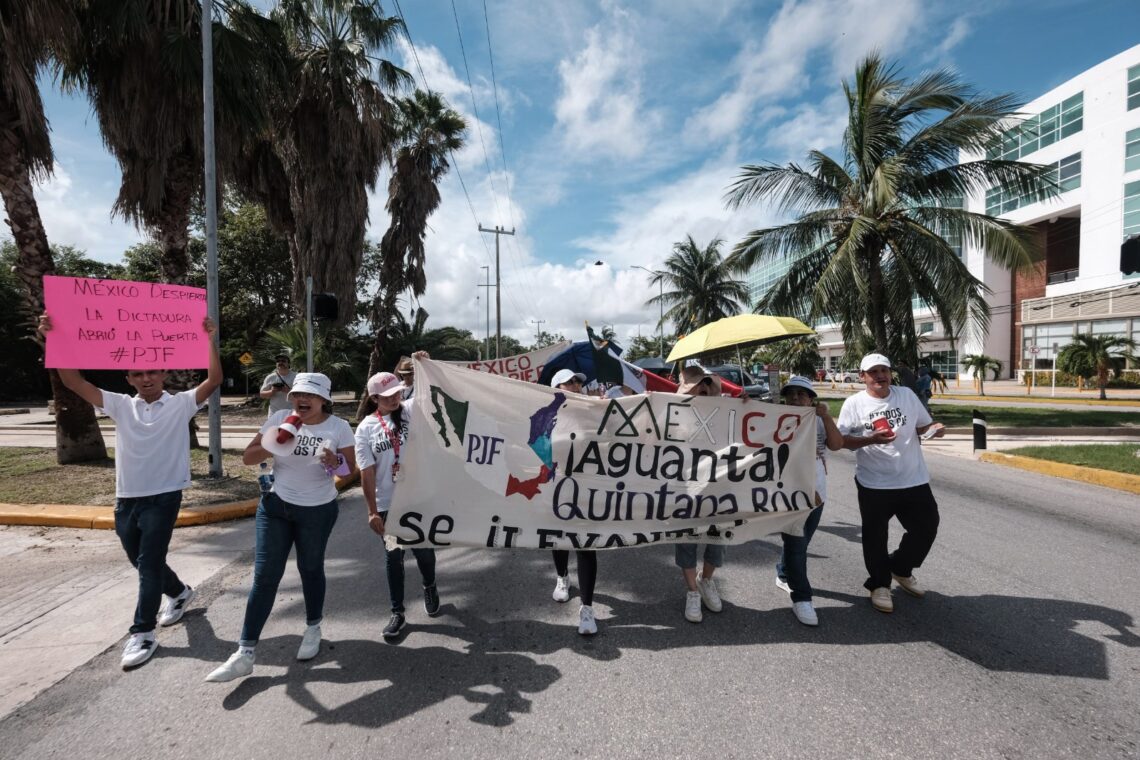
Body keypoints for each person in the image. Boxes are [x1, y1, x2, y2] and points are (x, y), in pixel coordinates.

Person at [38, 313, 222, 669]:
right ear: (129, 378)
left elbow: (214, 378)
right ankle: (180, 592)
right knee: (140, 560)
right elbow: (73, 381)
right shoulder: (121, 405)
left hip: (165, 495)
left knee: (148, 564)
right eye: (137, 374)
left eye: (152, 372)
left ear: (164, 374)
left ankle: (142, 632)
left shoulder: (181, 402)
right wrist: (53, 338)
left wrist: (208, 339)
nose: (146, 378)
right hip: (126, 498)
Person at [206, 372, 356, 681]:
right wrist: (275, 441)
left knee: (310, 568)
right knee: (264, 576)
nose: (302, 400)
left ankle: (313, 628)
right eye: (297, 395)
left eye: (310, 396)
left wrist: (333, 461)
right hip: (276, 506)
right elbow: (249, 458)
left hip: (317, 510)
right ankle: (245, 652)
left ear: (324, 399)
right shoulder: (277, 418)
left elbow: (348, 469)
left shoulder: (338, 427)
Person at [837, 353, 945, 613]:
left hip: (913, 479)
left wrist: (934, 429)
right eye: (873, 372)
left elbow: (922, 426)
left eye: (884, 370)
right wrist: (870, 439)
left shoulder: (906, 396)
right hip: (874, 483)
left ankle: (900, 568)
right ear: (862, 377)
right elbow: (841, 442)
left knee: (927, 528)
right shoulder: (854, 404)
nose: (880, 376)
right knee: (875, 537)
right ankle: (879, 584)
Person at [355, 360, 441, 641]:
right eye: (388, 395)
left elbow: (435, 390)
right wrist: (372, 512)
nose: (395, 398)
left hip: (419, 500)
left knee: (424, 552)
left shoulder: (412, 410)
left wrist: (426, 364)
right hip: (388, 505)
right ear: (374, 398)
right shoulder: (366, 429)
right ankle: (398, 613)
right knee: (394, 556)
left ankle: (429, 585)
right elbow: (366, 473)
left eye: (397, 392)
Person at [775, 376, 843, 626]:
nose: (795, 398)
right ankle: (802, 598)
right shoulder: (773, 418)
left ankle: (783, 572)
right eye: (790, 394)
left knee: (803, 540)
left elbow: (836, 445)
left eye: (801, 394)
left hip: (817, 492)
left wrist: (825, 417)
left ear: (811, 399)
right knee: (796, 543)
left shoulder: (819, 421)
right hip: (787, 493)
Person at [547, 368, 601, 635]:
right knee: (559, 538)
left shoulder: (591, 410)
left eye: (578, 381)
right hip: (556, 485)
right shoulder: (547, 415)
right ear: (557, 387)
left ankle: (587, 608)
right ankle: (562, 577)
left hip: (587, 487)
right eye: (570, 382)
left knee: (586, 544)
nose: (577, 385)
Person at [674, 365, 726, 623]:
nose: (704, 388)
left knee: (718, 538)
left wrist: (747, 407)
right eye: (698, 384)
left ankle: (706, 580)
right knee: (686, 539)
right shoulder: (672, 413)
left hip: (717, 488)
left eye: (707, 384)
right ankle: (692, 592)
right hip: (684, 489)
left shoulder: (727, 412)